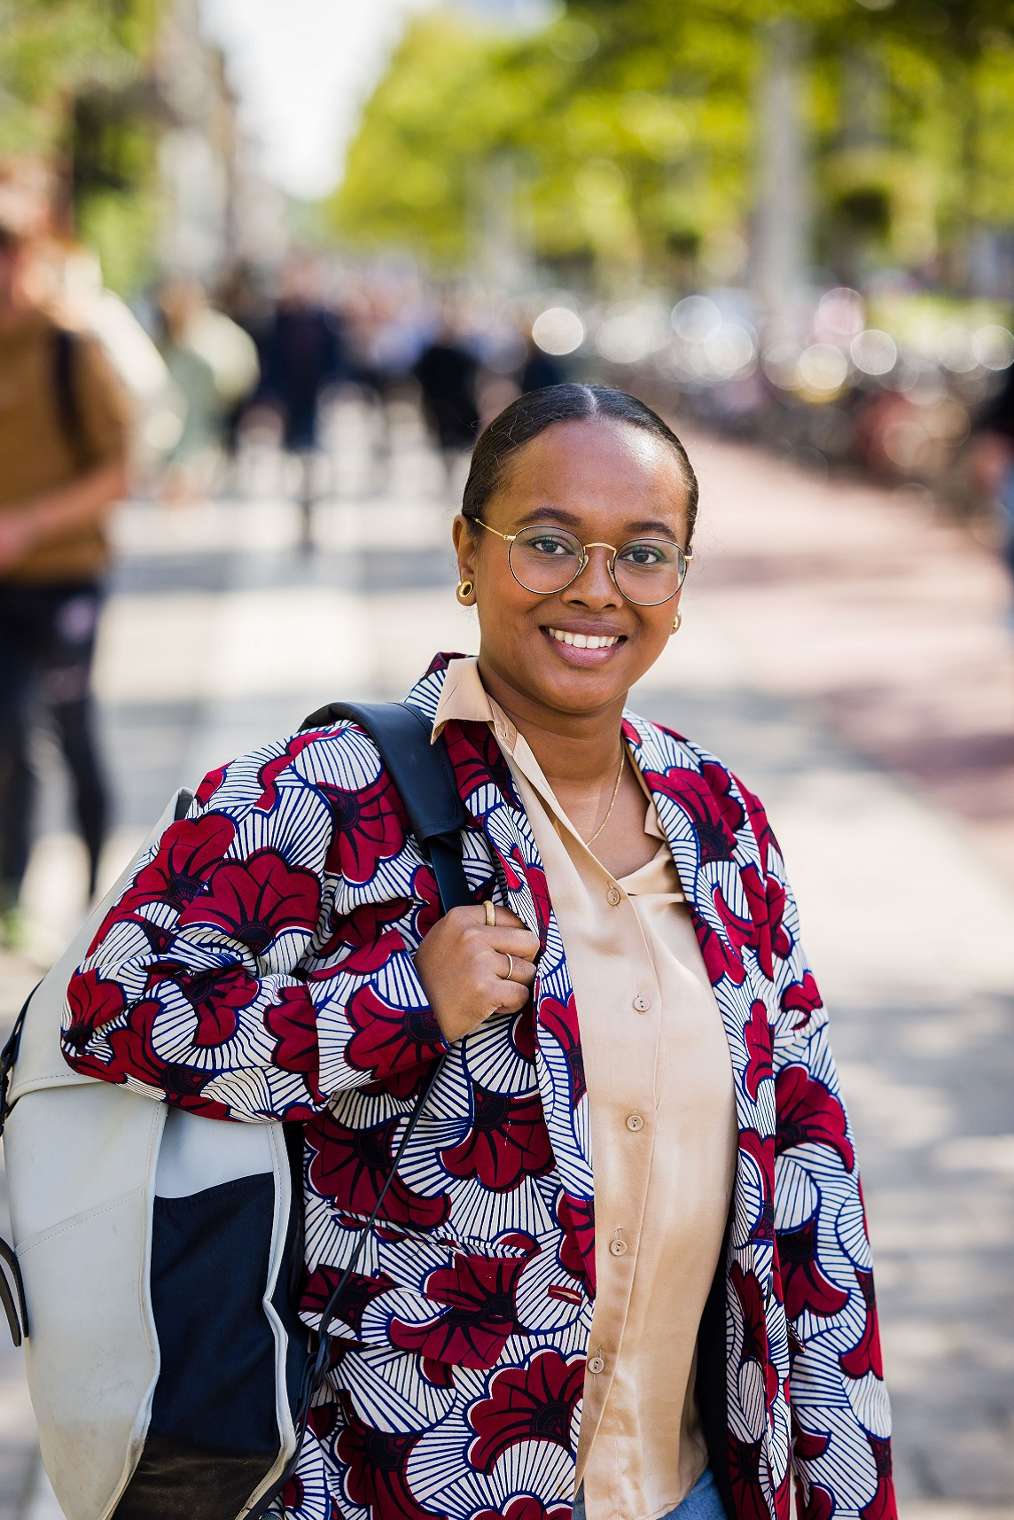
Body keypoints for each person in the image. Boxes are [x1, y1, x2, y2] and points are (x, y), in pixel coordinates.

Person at [63, 384, 895, 1520]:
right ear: (468, 549)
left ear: (682, 585)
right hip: (409, 1478)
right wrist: (398, 1001)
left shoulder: (722, 822)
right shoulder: (327, 795)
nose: (597, 587)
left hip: (696, 1482)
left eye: (644, 553)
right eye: (549, 541)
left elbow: (812, 1177)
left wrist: (846, 1478)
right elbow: (108, 1006)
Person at [0, 213, 130, 946]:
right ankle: (12, 894)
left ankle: (97, 902)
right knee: (9, 733)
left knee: (69, 726)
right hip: (3, 586)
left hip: (67, 578)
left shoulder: (69, 351)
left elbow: (118, 472)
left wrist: (28, 524)